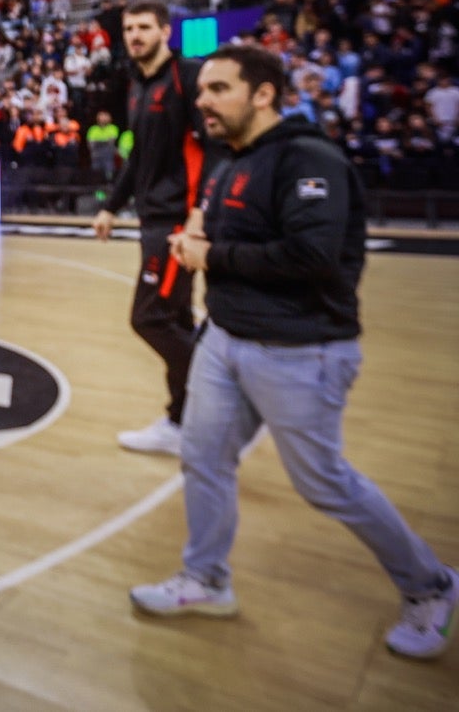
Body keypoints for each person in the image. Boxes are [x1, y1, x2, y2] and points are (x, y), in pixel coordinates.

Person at [130, 44, 456, 660]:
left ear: (264, 94)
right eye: (201, 91)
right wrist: (200, 227)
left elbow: (312, 258)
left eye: (218, 89)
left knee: (325, 483)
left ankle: (431, 585)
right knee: (203, 459)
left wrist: (211, 255)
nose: (202, 101)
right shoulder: (234, 158)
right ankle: (206, 581)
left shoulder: (310, 158)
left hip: (302, 352)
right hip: (224, 342)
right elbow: (228, 224)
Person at [93, 1, 214, 456]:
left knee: (150, 318)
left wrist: (200, 216)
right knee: (176, 318)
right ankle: (184, 424)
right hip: (153, 218)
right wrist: (111, 207)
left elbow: (215, 149)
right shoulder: (137, 85)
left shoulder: (186, 75)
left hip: (179, 222)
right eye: (129, 28)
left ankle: (222, 395)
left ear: (165, 30)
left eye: (144, 27)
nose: (135, 35)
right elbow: (139, 155)